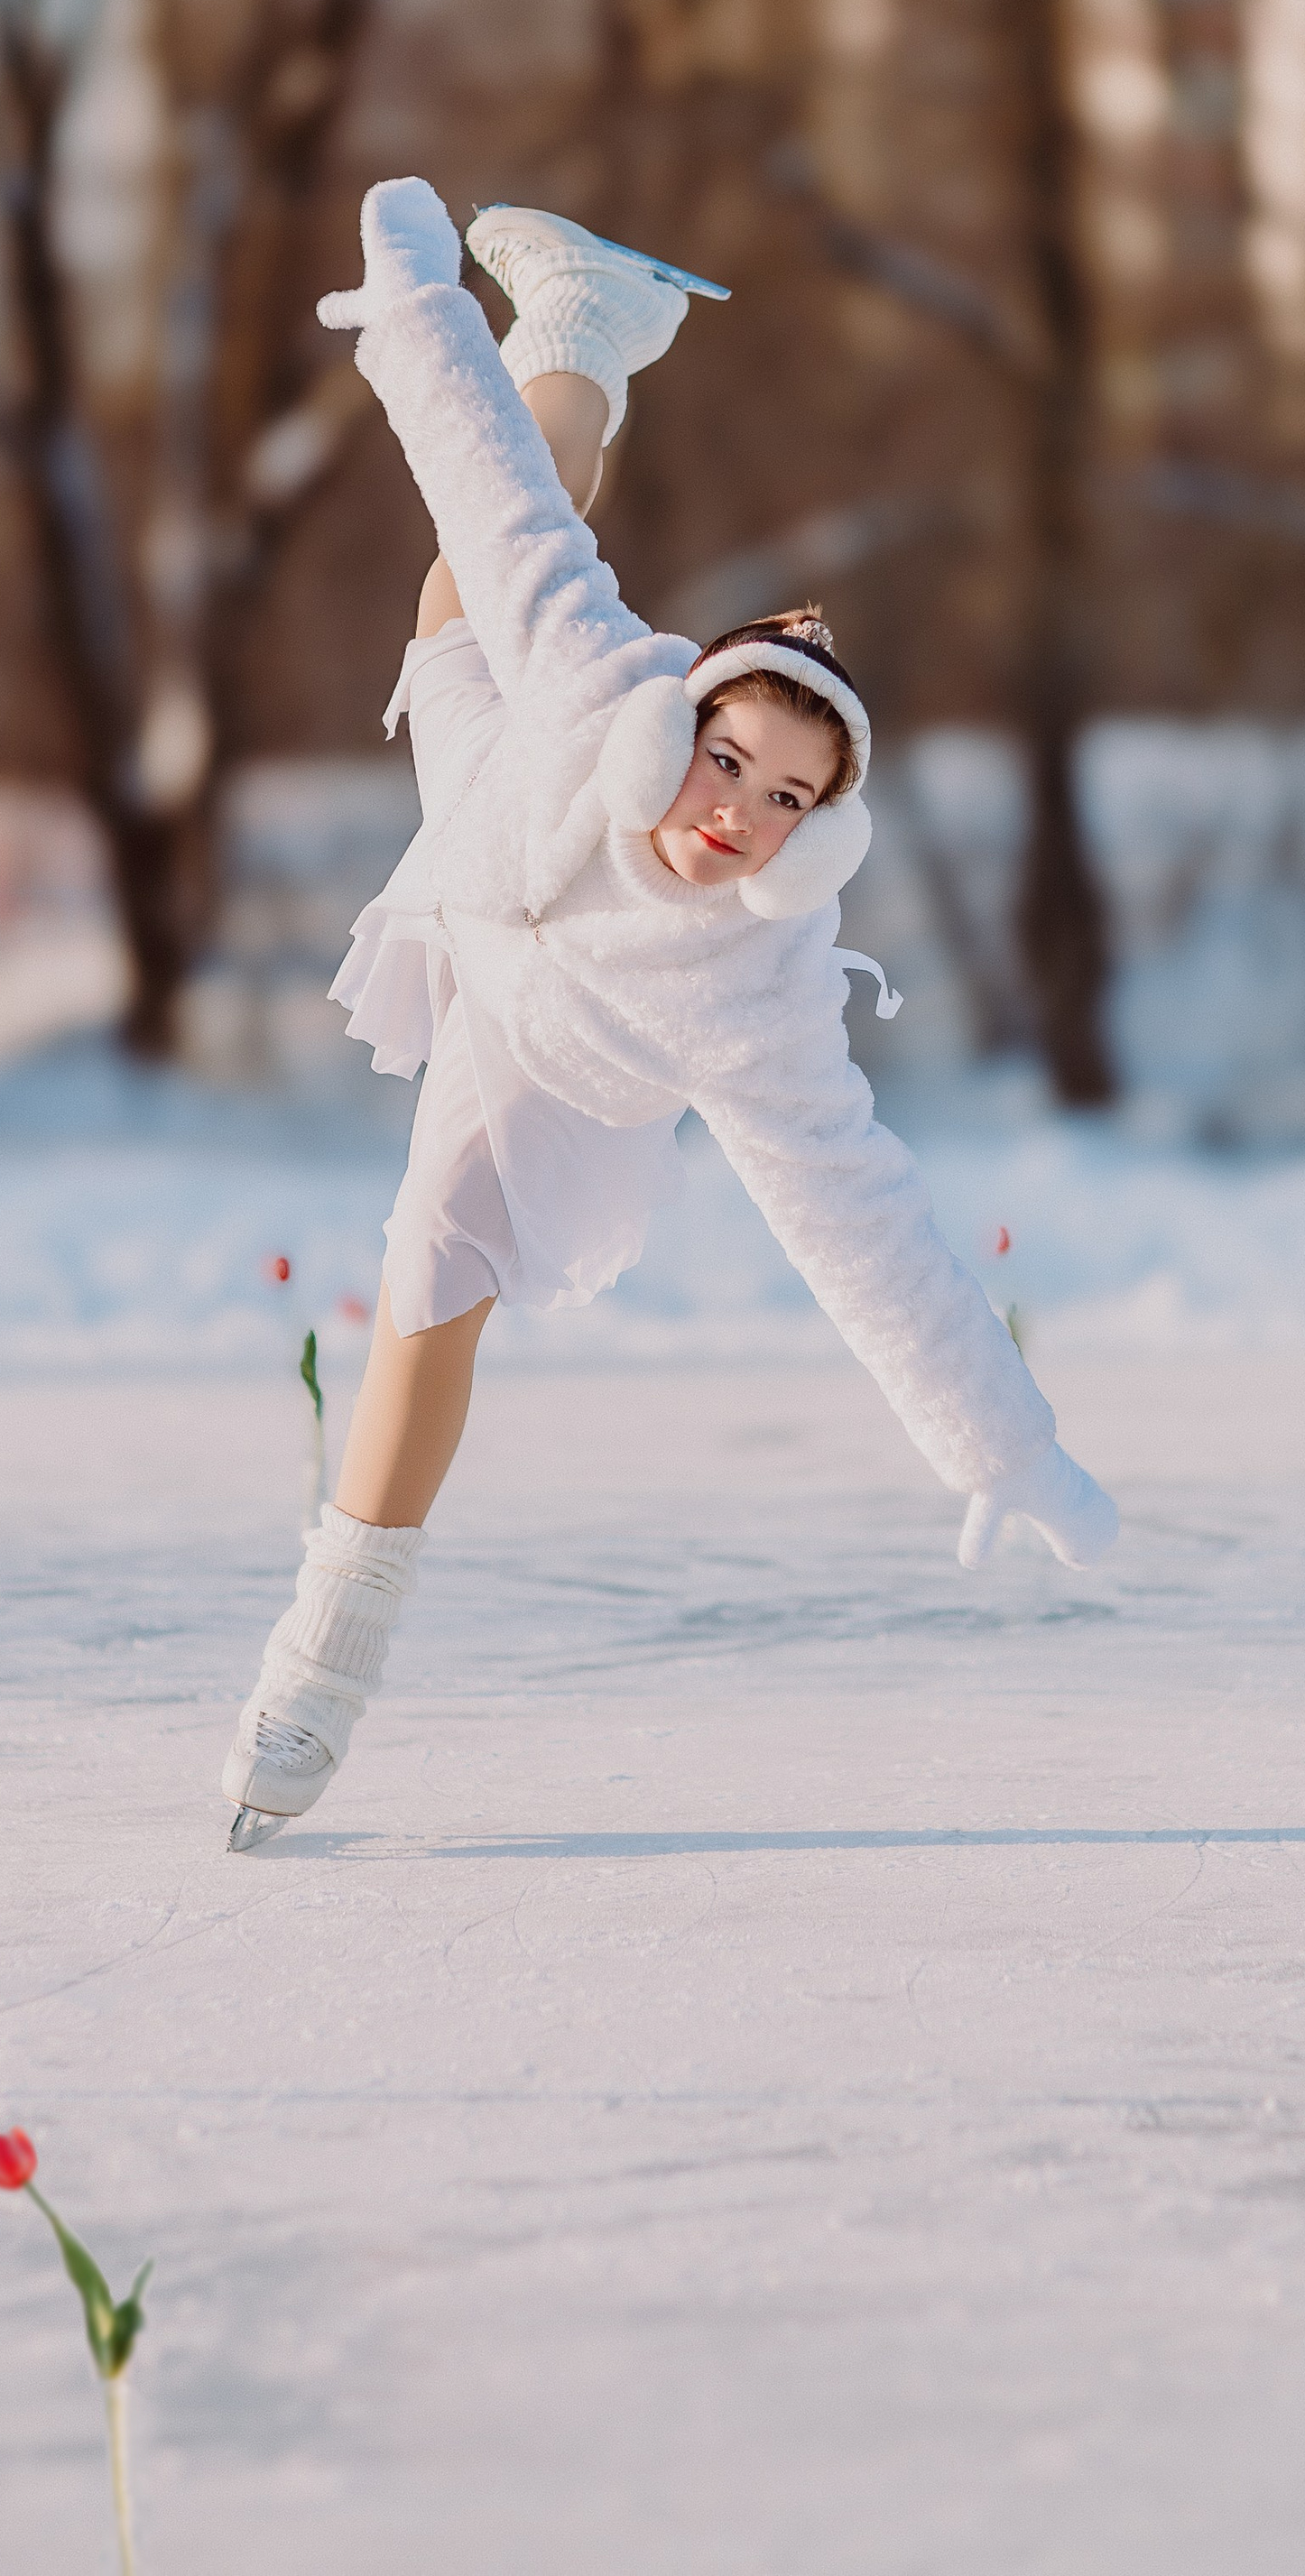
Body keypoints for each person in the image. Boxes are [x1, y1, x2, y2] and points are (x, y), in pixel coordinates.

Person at [221, 178, 1116, 1847]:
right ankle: (581, 320)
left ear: (816, 834)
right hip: (500, 807)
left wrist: (1005, 1450)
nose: (738, 814)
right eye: (730, 762)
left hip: (555, 1063)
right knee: (465, 583)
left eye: (786, 801)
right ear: (682, 727)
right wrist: (414, 303)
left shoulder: (756, 992)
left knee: (428, 1291)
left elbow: (866, 1230)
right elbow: (491, 488)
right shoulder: (596, 684)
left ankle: (316, 1679)